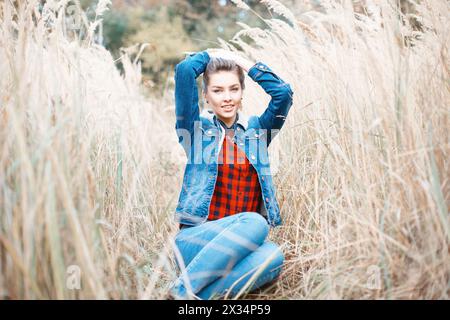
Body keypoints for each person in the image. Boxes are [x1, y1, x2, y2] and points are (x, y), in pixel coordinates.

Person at [170, 49, 294, 299]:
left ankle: (192, 298)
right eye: (217, 90)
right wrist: (211, 54)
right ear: (205, 96)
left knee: (273, 255)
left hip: (239, 247)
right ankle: (183, 288)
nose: (227, 97)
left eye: (233, 89)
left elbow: (283, 94)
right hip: (196, 243)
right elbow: (184, 71)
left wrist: (244, 63)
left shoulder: (258, 131)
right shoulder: (195, 131)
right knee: (255, 222)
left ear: (241, 93)